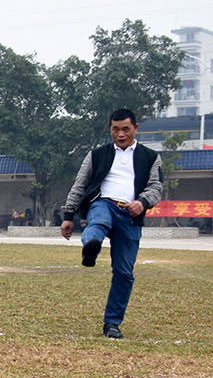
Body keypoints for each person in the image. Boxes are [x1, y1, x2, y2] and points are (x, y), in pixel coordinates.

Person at [60, 108, 164, 339]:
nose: (120, 134)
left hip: (130, 213)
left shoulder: (150, 157)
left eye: (125, 129)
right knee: (97, 224)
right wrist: (68, 215)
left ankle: (112, 323)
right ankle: (91, 248)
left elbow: (156, 187)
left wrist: (143, 202)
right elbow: (80, 184)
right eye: (115, 129)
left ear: (136, 128)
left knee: (124, 273)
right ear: (110, 130)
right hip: (103, 203)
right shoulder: (97, 155)